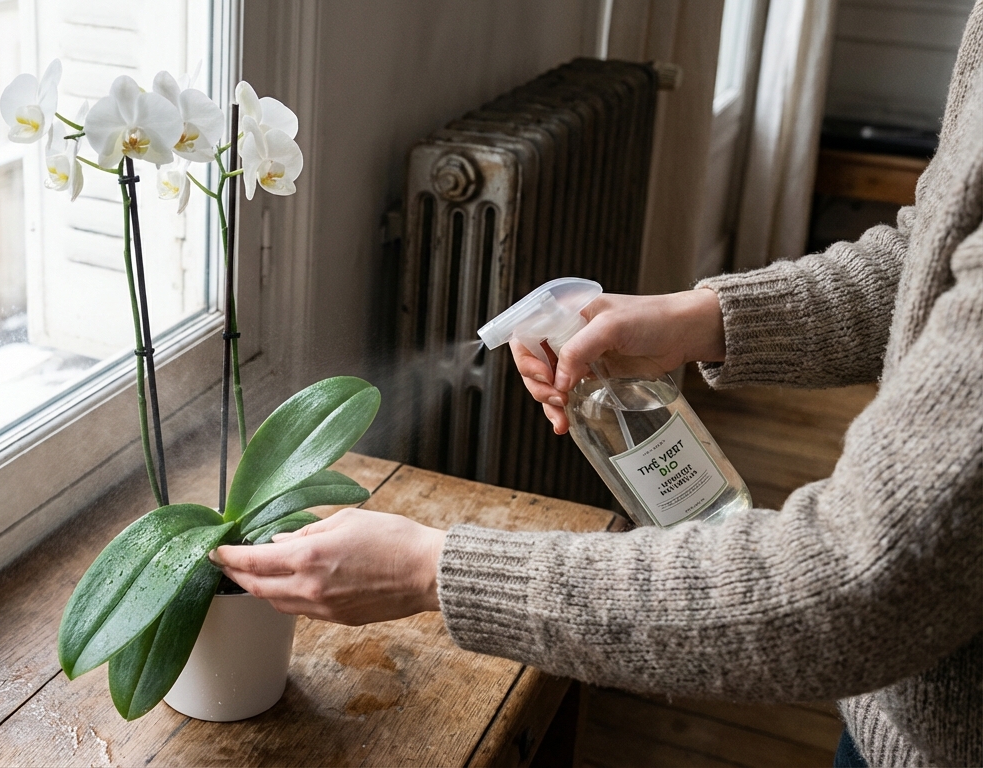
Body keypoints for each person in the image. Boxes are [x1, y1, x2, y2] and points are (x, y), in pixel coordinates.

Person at [211, 6, 983, 765]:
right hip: (900, 715)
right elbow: (935, 249)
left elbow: (856, 588)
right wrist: (703, 315)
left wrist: (431, 571)